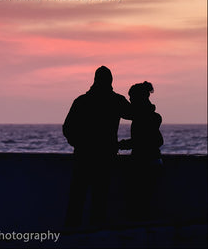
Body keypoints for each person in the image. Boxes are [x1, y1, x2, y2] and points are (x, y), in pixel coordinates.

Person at [63, 66, 132, 230]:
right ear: (111, 81)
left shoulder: (81, 101)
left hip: (83, 156)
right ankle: (95, 232)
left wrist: (80, 144)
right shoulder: (116, 100)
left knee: (77, 197)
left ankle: (71, 232)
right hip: (105, 157)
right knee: (99, 197)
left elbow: (68, 128)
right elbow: (135, 114)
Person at [118, 81, 164, 221]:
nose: (130, 101)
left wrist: (121, 144)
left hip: (145, 163)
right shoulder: (150, 116)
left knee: (139, 200)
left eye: (132, 98)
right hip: (153, 161)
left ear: (139, 98)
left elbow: (141, 141)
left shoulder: (143, 118)